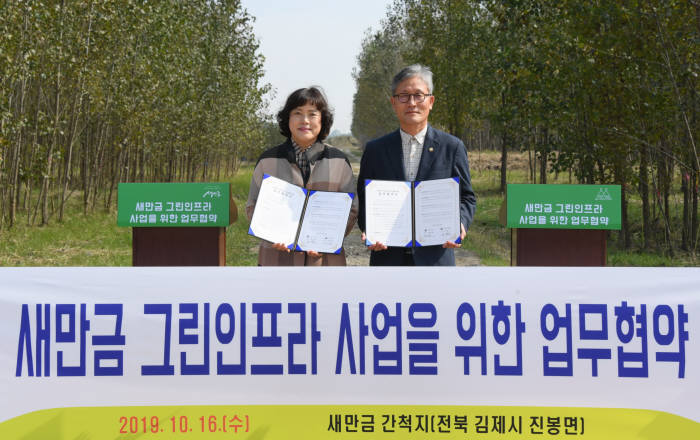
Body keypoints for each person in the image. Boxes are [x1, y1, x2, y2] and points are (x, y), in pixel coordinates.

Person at [357, 64, 476, 266]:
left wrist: (460, 224)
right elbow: (364, 199)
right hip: (387, 258)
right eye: (404, 96)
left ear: (431, 101)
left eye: (418, 95)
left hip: (436, 259)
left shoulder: (452, 147)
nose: (411, 103)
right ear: (393, 103)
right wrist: (370, 230)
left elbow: (467, 197)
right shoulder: (375, 150)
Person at [246, 86, 358, 266]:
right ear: (287, 118)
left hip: (325, 263)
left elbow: (351, 209)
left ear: (322, 120)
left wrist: (326, 240)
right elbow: (253, 206)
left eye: (312, 114)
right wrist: (271, 235)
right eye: (297, 113)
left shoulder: (338, 160)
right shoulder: (268, 160)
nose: (304, 120)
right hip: (276, 260)